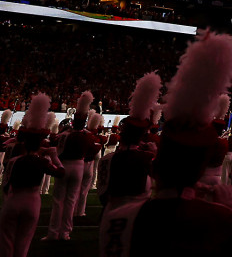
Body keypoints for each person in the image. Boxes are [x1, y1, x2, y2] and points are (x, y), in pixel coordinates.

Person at [98, 30, 232, 257]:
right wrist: (229, 212)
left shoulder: (117, 218)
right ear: (198, 172)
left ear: (155, 167)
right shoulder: (223, 220)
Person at [0, 94, 64, 257]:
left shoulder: (14, 160)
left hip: (13, 200)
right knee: (23, 242)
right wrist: (54, 156)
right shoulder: (41, 161)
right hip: (32, 201)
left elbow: (5, 184)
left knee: (6, 241)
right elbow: (61, 172)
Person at [97, 73, 161, 213]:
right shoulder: (146, 158)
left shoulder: (107, 159)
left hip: (110, 213)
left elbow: (102, 192)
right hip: (136, 214)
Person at [47, 91, 99, 241]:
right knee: (71, 200)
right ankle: (65, 233)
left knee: (58, 200)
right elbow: (92, 151)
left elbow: (56, 148)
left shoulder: (65, 135)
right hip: (79, 166)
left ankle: (53, 232)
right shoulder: (87, 136)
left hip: (65, 164)